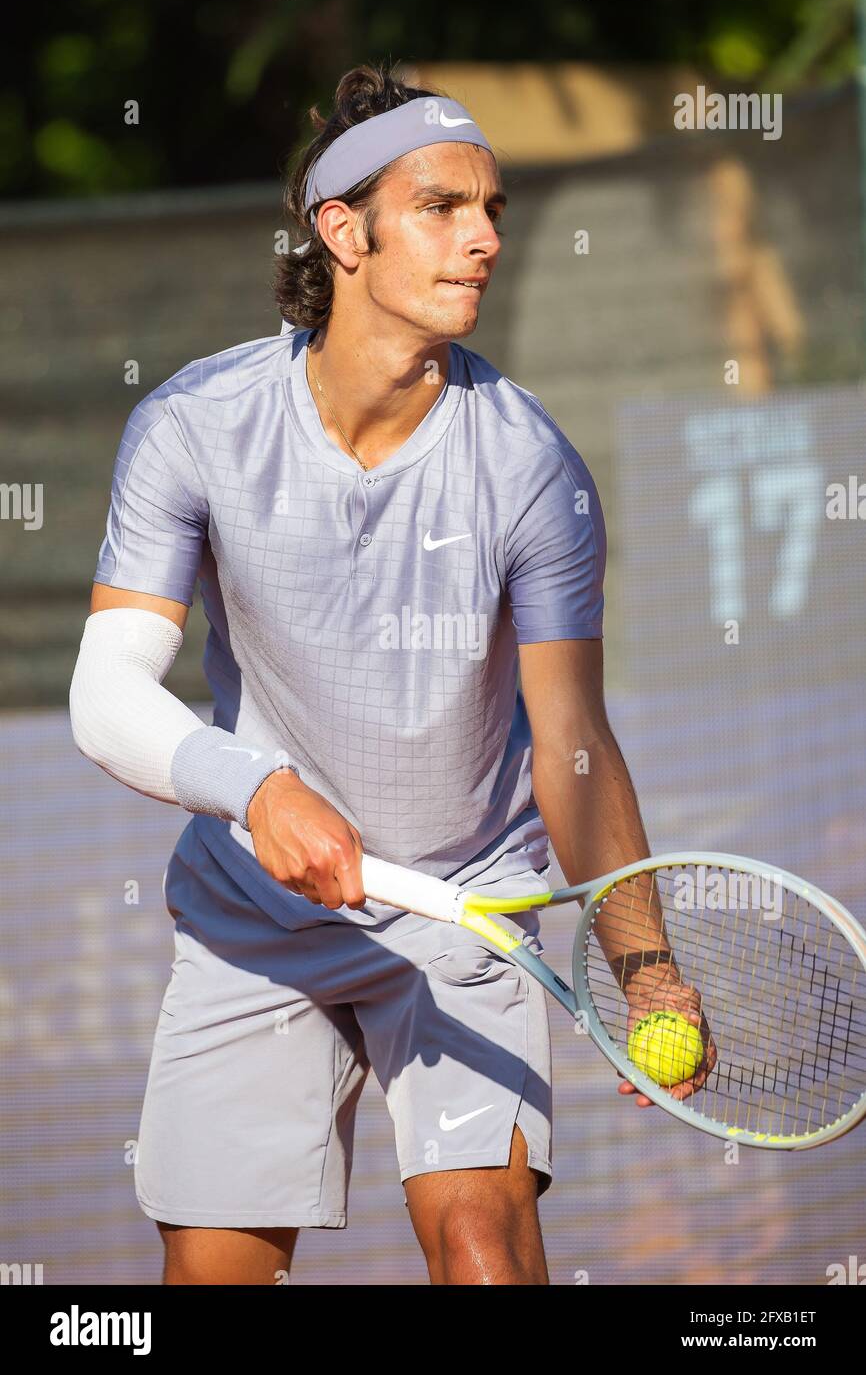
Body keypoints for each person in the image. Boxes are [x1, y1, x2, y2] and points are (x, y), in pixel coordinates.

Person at [70, 62, 665, 1286]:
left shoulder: (534, 469)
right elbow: (106, 692)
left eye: (492, 208)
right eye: (443, 207)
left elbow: (571, 742)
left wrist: (644, 967)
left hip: (465, 913)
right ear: (342, 231)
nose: (485, 238)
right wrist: (255, 789)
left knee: (483, 1252)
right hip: (255, 919)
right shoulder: (193, 426)